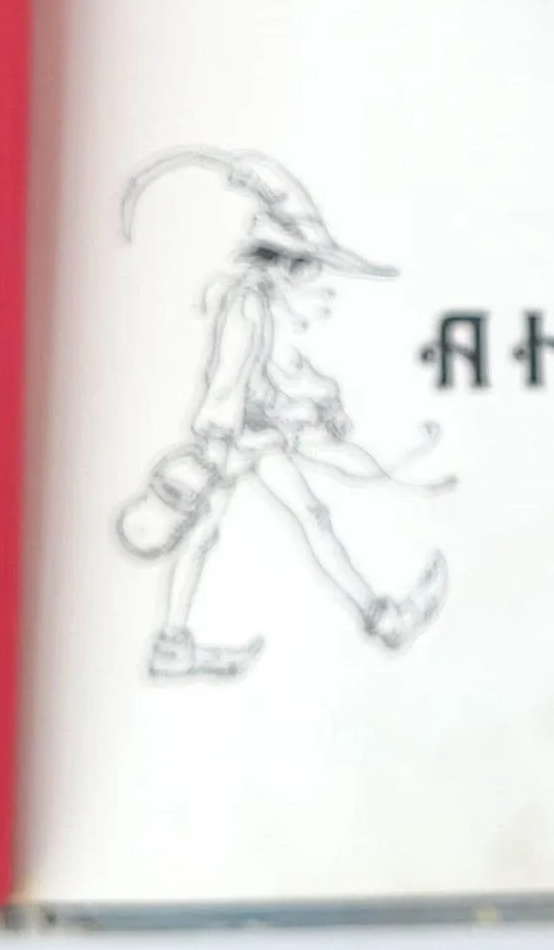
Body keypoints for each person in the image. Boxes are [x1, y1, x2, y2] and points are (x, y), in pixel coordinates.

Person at [115, 149, 448, 681]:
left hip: (242, 437)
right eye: (308, 264)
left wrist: (306, 406)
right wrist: (231, 436)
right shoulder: (248, 303)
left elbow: (263, 377)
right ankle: (383, 621)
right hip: (235, 440)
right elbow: (230, 379)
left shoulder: (257, 302)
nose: (313, 275)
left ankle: (175, 646)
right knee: (284, 522)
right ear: (286, 261)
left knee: (278, 522)